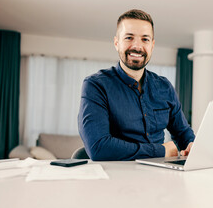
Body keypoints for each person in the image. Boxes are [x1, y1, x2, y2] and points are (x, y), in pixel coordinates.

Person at [78, 9, 195, 161]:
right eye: (129, 37)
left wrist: (192, 144)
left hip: (159, 175)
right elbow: (98, 147)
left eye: (145, 39)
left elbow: (183, 133)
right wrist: (160, 151)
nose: (137, 46)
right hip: (115, 177)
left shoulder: (164, 87)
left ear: (152, 45)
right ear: (116, 43)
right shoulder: (95, 86)